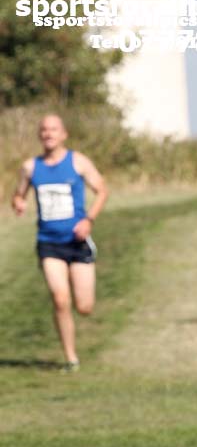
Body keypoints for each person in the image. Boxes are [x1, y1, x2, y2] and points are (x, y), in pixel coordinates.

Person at [12, 114, 108, 371]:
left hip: (77, 242)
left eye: (53, 129)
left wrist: (89, 220)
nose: (48, 133)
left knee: (84, 307)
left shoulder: (78, 162)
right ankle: (70, 357)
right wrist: (19, 202)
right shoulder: (30, 167)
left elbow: (102, 189)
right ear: (39, 135)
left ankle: (74, 341)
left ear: (63, 133)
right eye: (43, 129)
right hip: (48, 243)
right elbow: (18, 194)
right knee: (60, 298)